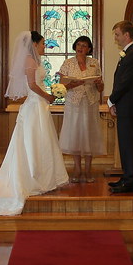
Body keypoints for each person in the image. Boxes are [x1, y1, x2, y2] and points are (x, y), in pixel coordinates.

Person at [0, 31, 68, 215]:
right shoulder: (30, 60)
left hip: (40, 105)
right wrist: (48, 95)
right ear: (34, 44)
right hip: (34, 105)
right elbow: (31, 85)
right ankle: (30, 178)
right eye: (42, 43)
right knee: (32, 142)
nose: (44, 46)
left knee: (42, 142)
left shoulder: (35, 60)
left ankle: (44, 178)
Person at [58, 35, 104, 183]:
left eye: (84, 45)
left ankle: (88, 169)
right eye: (79, 44)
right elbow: (62, 85)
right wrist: (72, 83)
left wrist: (98, 83)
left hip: (90, 103)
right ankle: (77, 169)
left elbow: (100, 87)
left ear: (89, 49)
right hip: (74, 103)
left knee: (89, 135)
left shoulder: (94, 63)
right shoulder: (68, 63)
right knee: (76, 135)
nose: (80, 47)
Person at [107, 21, 133, 195]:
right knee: (125, 144)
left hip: (129, 106)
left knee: (129, 144)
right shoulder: (129, 53)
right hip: (125, 105)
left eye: (117, 34)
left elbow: (125, 82)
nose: (115, 38)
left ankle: (131, 181)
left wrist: (111, 100)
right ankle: (127, 177)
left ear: (126, 35)